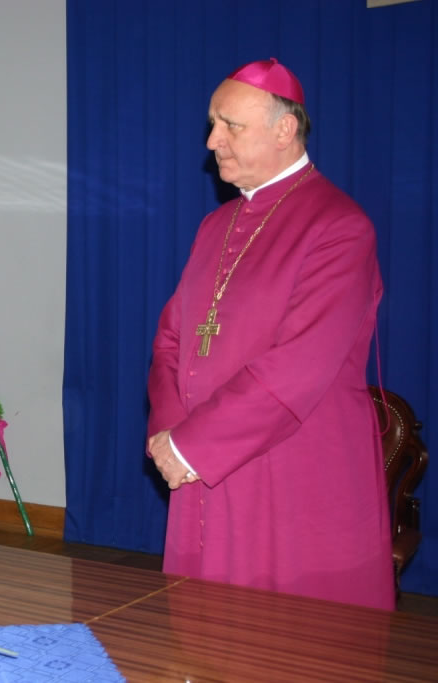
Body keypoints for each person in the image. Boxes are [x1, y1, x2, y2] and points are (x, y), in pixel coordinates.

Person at [146, 58, 394, 609]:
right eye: (213, 123)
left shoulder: (339, 227)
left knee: (287, 635)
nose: (212, 141)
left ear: (285, 130)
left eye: (230, 126)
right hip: (198, 462)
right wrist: (169, 432)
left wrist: (191, 444)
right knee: (197, 629)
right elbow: (171, 339)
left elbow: (300, 364)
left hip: (292, 469)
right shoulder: (215, 225)